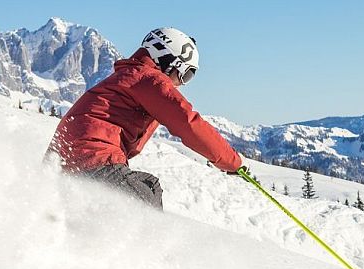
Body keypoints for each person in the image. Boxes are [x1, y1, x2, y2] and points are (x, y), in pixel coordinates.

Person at [46, 27, 245, 210]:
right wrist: (232, 162)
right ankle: (147, 247)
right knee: (147, 191)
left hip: (64, 164)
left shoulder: (126, 77)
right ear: (169, 62)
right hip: (94, 158)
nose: (182, 83)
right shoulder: (149, 79)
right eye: (185, 74)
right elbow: (188, 123)